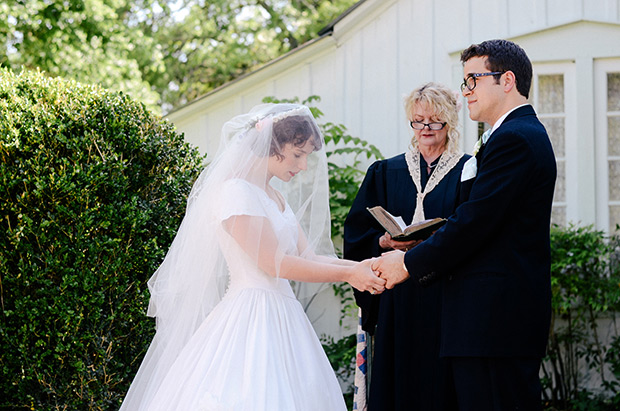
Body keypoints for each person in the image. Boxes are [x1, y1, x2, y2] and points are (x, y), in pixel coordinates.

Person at [119, 103, 386, 411]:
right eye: (298, 155)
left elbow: (310, 255)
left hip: (285, 315)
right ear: (273, 146)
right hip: (251, 315)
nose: (303, 166)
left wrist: (363, 266)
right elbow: (276, 263)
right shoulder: (236, 193)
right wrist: (350, 275)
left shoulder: (275, 196)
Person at [373, 39, 557, 410]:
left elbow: (475, 223)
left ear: (506, 80)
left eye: (473, 80)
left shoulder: (516, 139)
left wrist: (408, 264)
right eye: (465, 81)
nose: (466, 91)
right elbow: (480, 221)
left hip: (494, 322)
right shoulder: (507, 136)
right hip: (486, 323)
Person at [344, 82, 469, 410]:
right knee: (397, 380)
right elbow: (357, 234)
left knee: (440, 386)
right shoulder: (385, 171)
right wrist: (381, 241)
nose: (425, 129)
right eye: (418, 121)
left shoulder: (468, 171)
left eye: (434, 121)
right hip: (396, 300)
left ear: (450, 121)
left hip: (444, 297)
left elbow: (473, 232)